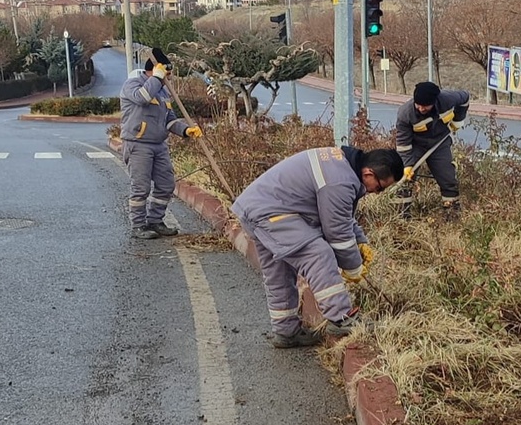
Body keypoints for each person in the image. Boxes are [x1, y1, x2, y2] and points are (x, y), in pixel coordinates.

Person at [231, 146, 403, 348]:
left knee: (279, 270)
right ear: (368, 173)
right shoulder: (340, 181)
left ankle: (286, 331)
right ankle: (341, 318)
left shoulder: (340, 167)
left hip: (259, 208)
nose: (377, 192)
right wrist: (354, 267)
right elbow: (337, 232)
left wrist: (361, 241)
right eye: (380, 187)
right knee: (318, 254)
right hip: (271, 213)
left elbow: (341, 216)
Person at [119, 46, 203, 240]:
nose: (170, 77)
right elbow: (142, 99)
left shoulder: (163, 92)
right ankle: (138, 225)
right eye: (168, 72)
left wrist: (185, 130)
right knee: (141, 187)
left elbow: (169, 119)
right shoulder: (133, 85)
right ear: (156, 70)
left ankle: (155, 220)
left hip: (159, 144)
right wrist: (156, 78)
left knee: (166, 184)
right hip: (138, 143)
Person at [393, 81, 470, 219]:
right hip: (416, 145)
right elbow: (403, 143)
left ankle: (452, 215)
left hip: (439, 143)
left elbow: (465, 99)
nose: (421, 108)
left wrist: (458, 120)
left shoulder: (448, 99)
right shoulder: (405, 113)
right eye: (419, 105)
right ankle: (402, 217)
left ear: (434, 101)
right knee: (405, 180)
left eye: (426, 106)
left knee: (448, 178)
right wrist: (407, 165)